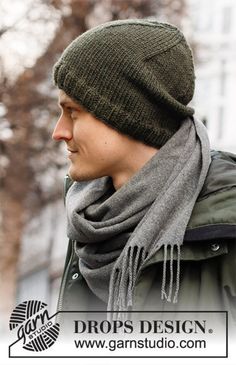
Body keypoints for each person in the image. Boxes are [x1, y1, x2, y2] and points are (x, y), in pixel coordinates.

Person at [52, 19, 236, 330]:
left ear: (125, 114)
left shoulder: (227, 226)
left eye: (72, 112)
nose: (59, 132)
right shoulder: (89, 218)